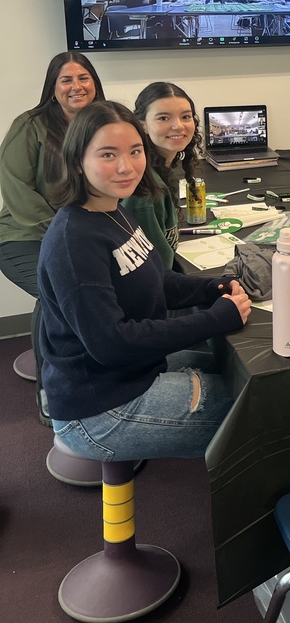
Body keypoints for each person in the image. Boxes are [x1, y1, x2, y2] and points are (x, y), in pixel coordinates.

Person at [37, 100, 251, 461]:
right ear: (77, 162)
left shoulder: (112, 209)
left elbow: (156, 280)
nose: (126, 166)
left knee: (250, 377)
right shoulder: (74, 240)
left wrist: (213, 287)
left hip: (132, 372)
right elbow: (112, 342)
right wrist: (215, 319)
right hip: (98, 410)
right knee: (258, 410)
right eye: (108, 155)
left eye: (135, 151)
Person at [0, 52, 106, 300]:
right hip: (26, 235)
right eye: (66, 80)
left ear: (95, 84)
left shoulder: (105, 125)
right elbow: (17, 189)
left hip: (82, 235)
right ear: (52, 89)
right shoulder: (29, 125)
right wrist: (66, 234)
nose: (76, 87)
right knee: (64, 297)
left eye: (83, 78)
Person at [123, 82, 202, 269]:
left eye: (186, 117)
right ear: (142, 126)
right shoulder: (144, 191)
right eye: (164, 118)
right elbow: (152, 269)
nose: (178, 126)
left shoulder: (165, 172)